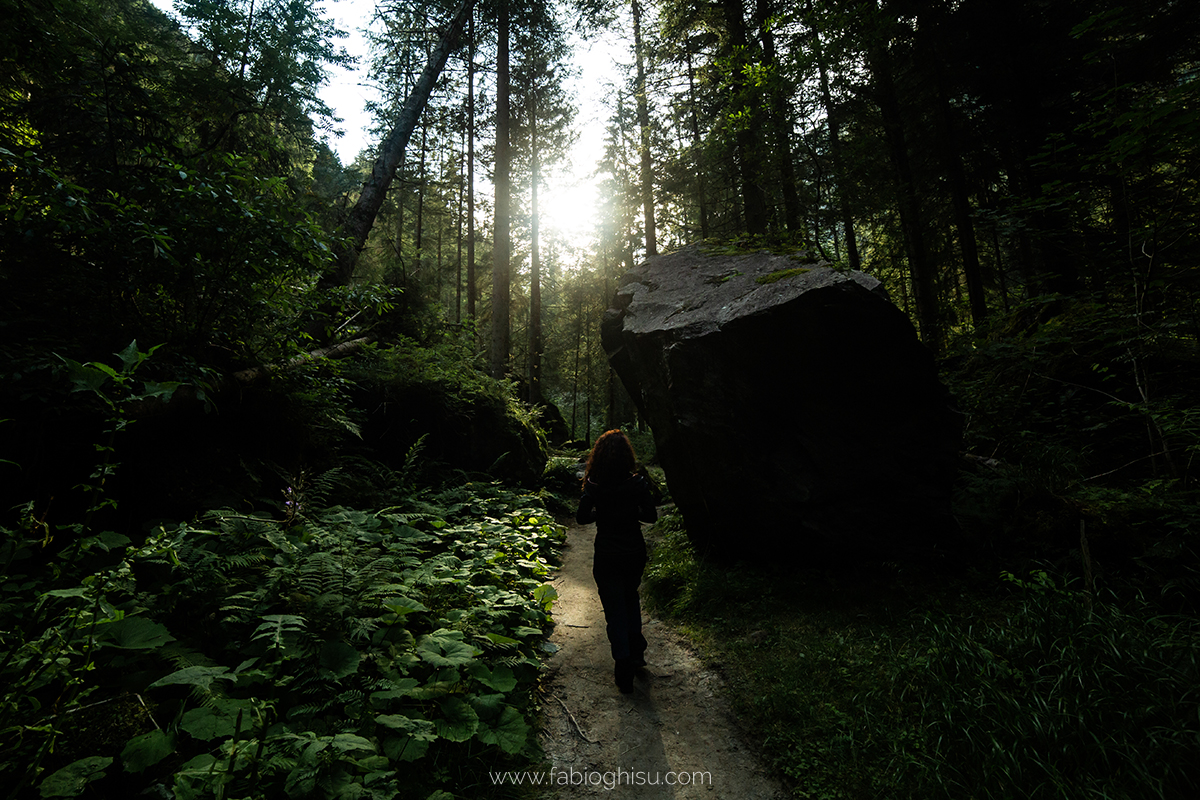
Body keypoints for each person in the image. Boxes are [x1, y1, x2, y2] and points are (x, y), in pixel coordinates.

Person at [575, 429, 658, 693]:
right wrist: (630, 510)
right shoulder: (637, 483)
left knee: (614, 609)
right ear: (627, 456)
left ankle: (623, 665)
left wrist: (603, 513)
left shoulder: (594, 485)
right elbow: (651, 516)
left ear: (598, 456)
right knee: (630, 597)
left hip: (607, 554)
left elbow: (581, 517)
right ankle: (636, 653)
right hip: (634, 551)